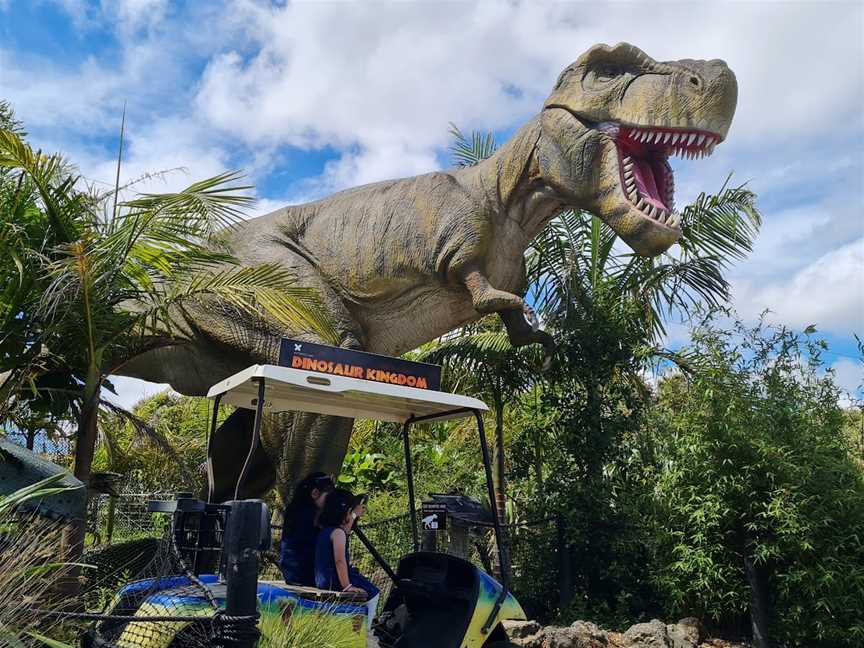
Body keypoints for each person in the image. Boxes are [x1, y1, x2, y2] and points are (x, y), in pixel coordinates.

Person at [315, 488, 380, 619]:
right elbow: (339, 561)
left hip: (324, 578)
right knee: (374, 593)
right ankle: (367, 628)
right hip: (336, 580)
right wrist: (347, 586)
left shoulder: (326, 530)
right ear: (347, 512)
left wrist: (354, 514)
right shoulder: (338, 533)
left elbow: (347, 528)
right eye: (351, 512)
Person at [279, 472, 334, 585]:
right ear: (314, 493)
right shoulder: (304, 513)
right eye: (328, 496)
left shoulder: (299, 508)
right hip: (300, 572)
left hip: (295, 571)